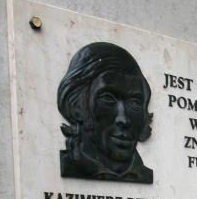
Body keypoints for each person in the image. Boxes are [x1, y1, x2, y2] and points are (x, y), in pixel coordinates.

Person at [57, 42, 153, 183]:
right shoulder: (70, 165)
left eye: (134, 103)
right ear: (76, 106)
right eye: (108, 99)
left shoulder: (144, 174)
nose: (124, 119)